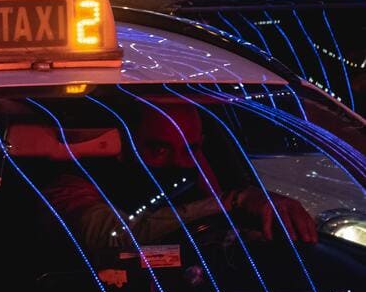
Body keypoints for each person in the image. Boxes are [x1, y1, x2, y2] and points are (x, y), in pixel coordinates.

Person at [46, 101, 316, 276]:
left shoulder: (199, 175)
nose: (180, 162)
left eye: (191, 149)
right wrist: (235, 200)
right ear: (124, 145)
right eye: (160, 149)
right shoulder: (72, 184)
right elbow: (115, 237)